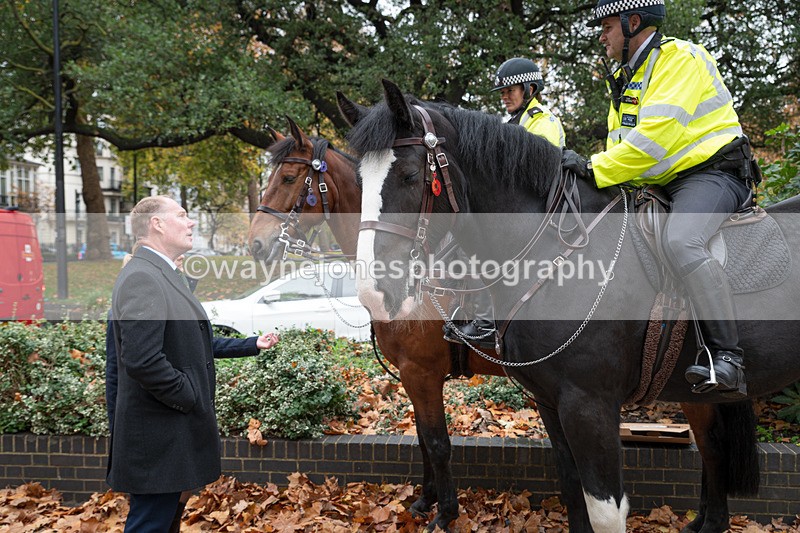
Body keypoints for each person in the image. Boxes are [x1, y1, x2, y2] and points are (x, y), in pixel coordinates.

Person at [562, 0, 758, 398]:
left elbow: (653, 142)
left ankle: (729, 359)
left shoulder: (680, 59)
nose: (602, 36)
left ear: (633, 23)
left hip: (712, 174)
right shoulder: (627, 75)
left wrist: (593, 169)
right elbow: (622, 143)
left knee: (680, 241)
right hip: (665, 182)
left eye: (607, 26)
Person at [107, 195, 279, 532]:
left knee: (164, 521)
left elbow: (189, 344)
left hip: (169, 434)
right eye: (182, 215)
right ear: (156, 224)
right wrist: (188, 394)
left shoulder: (160, 273)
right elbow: (141, 360)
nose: (191, 223)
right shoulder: (144, 278)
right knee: (150, 523)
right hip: (158, 437)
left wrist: (250, 344)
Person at [444, 58, 566, 347]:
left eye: (510, 90)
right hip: (514, 209)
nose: (504, 96)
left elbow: (534, 176)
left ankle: (488, 323)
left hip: (538, 211)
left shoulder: (544, 123)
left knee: (485, 247)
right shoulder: (510, 124)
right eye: (502, 91)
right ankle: (460, 308)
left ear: (530, 89)